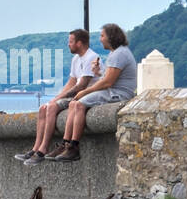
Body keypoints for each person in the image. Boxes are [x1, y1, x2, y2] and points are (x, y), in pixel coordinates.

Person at [48, 23, 136, 162]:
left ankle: (74, 147)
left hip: (118, 94)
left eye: (102, 36)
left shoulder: (119, 54)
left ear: (111, 37)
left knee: (78, 104)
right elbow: (108, 78)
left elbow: (108, 83)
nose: (100, 39)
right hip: (114, 91)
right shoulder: (117, 53)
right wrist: (98, 73)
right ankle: (66, 144)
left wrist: (85, 92)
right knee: (74, 104)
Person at [17, 29, 98, 165]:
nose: (68, 44)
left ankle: (43, 150)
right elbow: (71, 82)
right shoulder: (76, 59)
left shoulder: (91, 57)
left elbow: (81, 86)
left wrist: (56, 101)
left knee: (52, 107)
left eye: (71, 41)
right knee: (44, 108)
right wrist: (56, 97)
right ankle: (35, 148)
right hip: (76, 95)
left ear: (79, 43)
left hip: (83, 95)